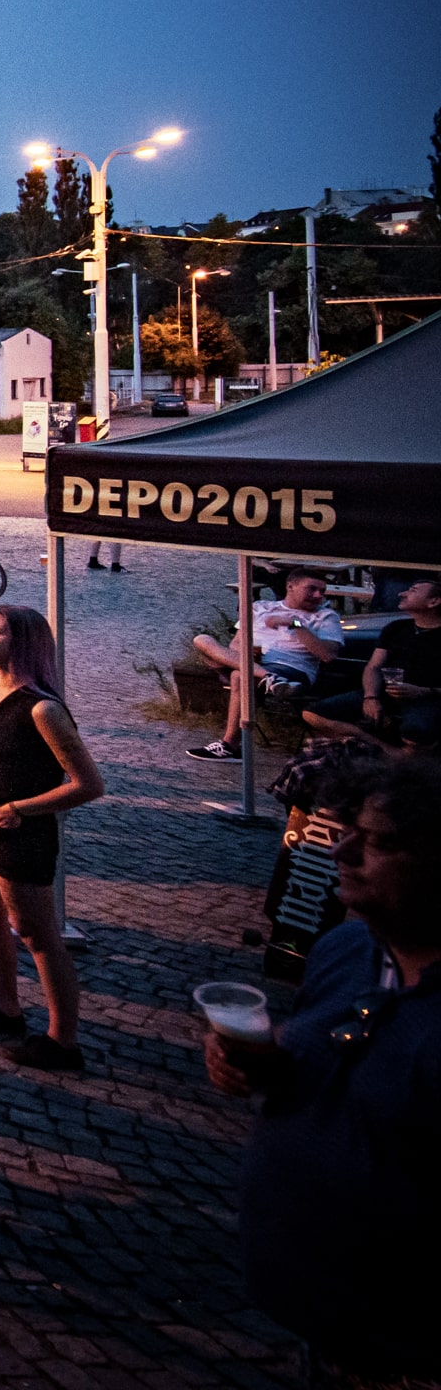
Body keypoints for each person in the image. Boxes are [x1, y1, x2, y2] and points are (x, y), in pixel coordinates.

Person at [204, 759, 440, 1390]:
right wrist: (271, 1062)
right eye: (347, 829)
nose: (342, 849)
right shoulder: (343, 949)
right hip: (321, 1340)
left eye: (381, 841)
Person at [0, 607, 106, 1071]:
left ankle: (62, 1040)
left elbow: (88, 784)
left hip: (17, 829)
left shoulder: (43, 708)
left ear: (23, 642)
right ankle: (7, 1009)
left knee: (36, 933)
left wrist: (20, 809)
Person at [191, 570, 345, 760]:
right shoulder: (259, 607)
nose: (318, 596)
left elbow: (328, 655)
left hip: (291, 670)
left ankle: (229, 745)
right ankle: (267, 677)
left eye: (322, 591)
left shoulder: (326, 617)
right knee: (202, 639)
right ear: (290, 586)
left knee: (240, 676)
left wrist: (294, 623)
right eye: (312, 589)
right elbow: (236, 644)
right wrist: (248, 653)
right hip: (255, 663)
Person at [318, 578, 441, 748]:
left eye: (413, 590)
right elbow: (374, 666)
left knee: (415, 735)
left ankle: (398, 759)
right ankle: (383, 748)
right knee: (314, 714)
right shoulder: (396, 628)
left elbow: (326, 654)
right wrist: (371, 696)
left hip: (426, 698)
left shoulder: (325, 617)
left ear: (434, 602)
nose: (401, 593)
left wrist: (423, 691)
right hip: (384, 692)